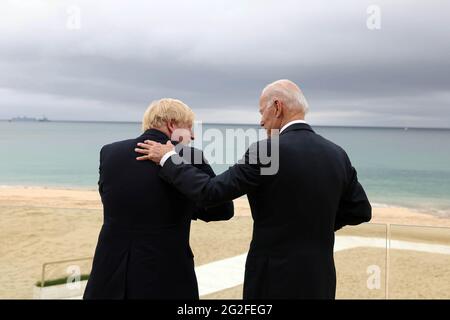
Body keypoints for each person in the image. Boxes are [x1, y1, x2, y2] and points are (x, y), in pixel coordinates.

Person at [135, 80, 371, 299]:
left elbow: (211, 192)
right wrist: (315, 224)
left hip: (272, 279)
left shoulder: (267, 151)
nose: (261, 122)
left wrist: (169, 158)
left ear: (277, 107)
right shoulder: (337, 153)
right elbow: (360, 211)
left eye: (261, 112)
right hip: (320, 278)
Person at [84, 98, 234, 299]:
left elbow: (111, 195)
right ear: (172, 125)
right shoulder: (189, 156)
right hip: (164, 274)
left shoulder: (110, 152)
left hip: (109, 271)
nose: (194, 135)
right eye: (189, 127)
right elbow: (222, 209)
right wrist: (187, 203)